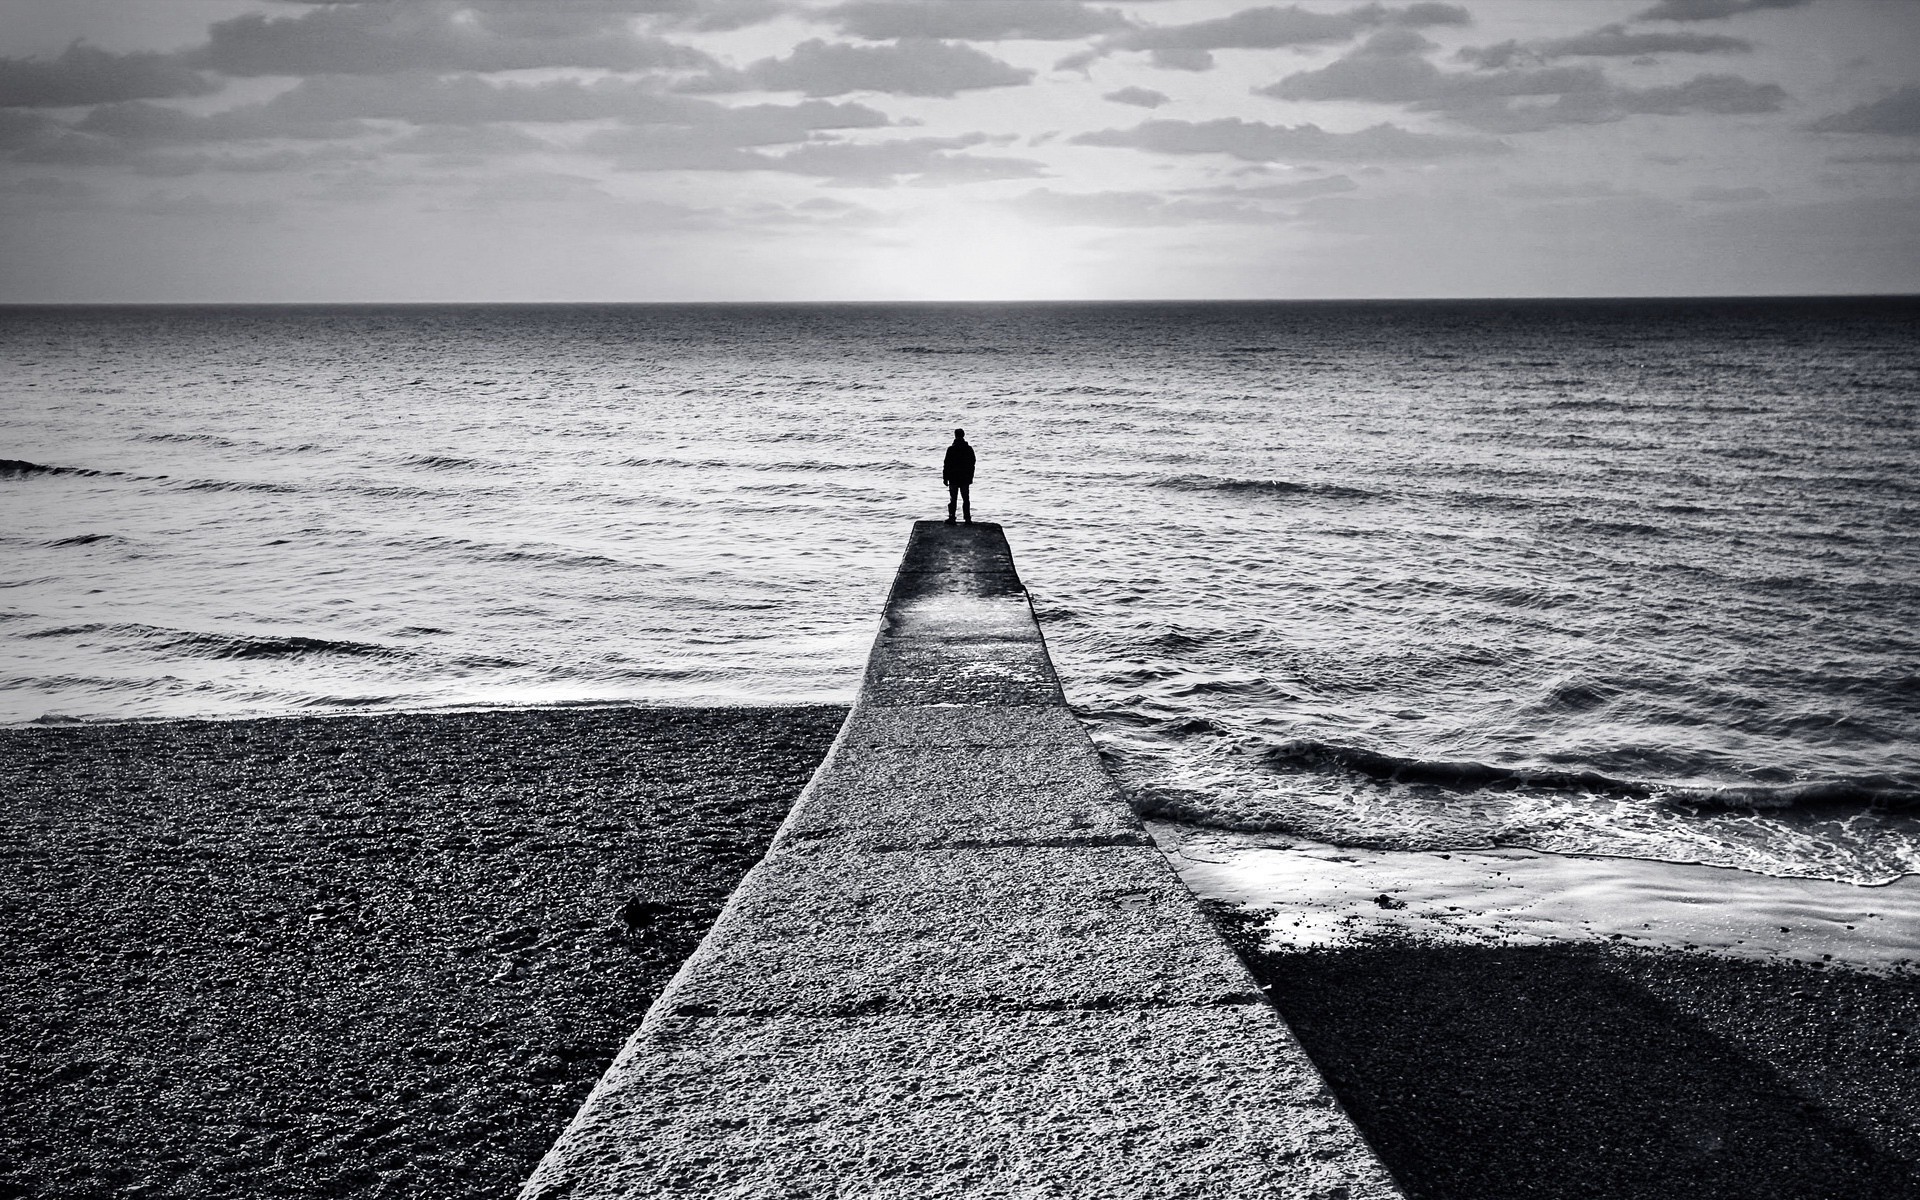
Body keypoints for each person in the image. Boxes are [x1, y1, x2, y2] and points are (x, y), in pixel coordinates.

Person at [942, 428, 974, 524]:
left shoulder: (951, 449)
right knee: (966, 499)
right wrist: (970, 477)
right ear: (963, 435)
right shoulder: (968, 449)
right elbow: (972, 463)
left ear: (955, 436)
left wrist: (945, 478)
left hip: (953, 478)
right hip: (964, 478)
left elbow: (946, 464)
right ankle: (967, 518)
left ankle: (952, 517)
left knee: (953, 499)